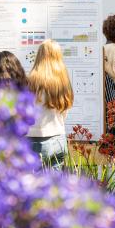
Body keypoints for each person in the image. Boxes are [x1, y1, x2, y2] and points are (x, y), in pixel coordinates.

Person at [27, 39, 73, 168]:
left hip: (34, 138)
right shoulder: (63, 82)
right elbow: (65, 111)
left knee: (34, 184)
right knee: (55, 185)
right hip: (58, 137)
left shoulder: (30, 81)